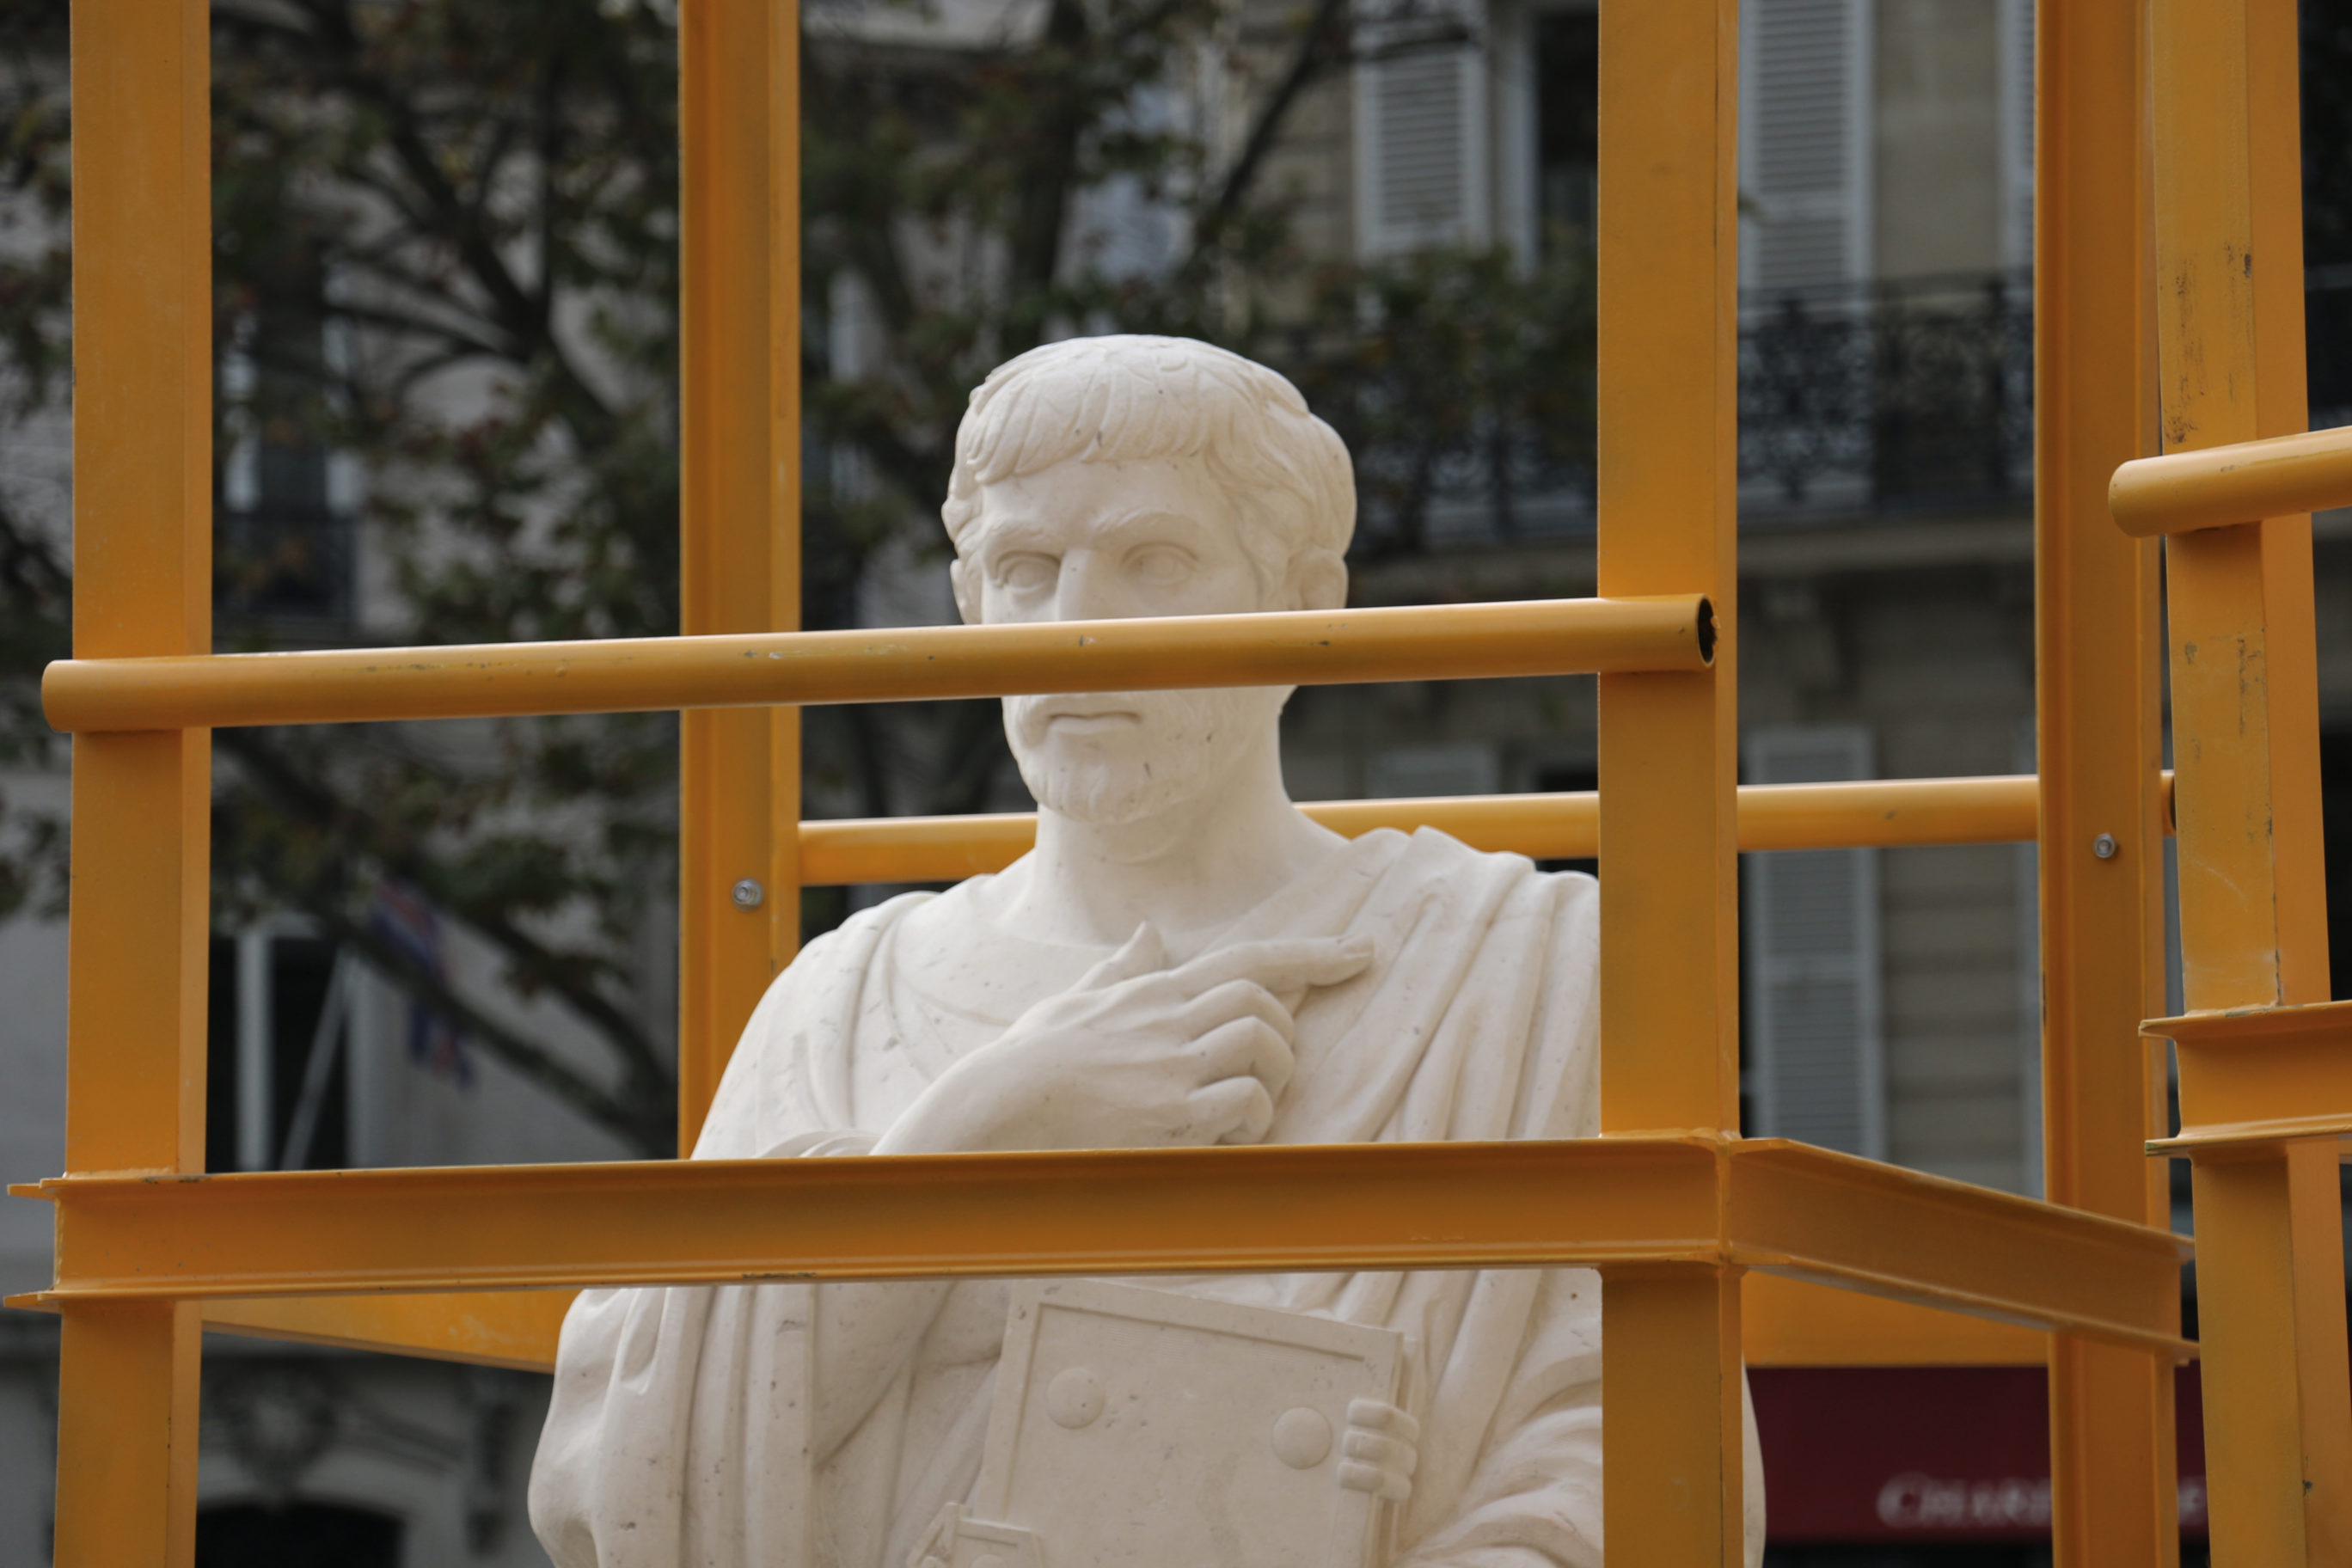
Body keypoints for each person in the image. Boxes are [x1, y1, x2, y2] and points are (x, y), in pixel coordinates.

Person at [528, 334, 1764, 1568]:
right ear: (967, 608)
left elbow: (1631, 1446)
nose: (1076, 628)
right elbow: (630, 1474)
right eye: (1023, 568)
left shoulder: (1512, 965)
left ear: (1305, 599)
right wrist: (999, 1113)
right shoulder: (847, 1002)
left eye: (1153, 561)